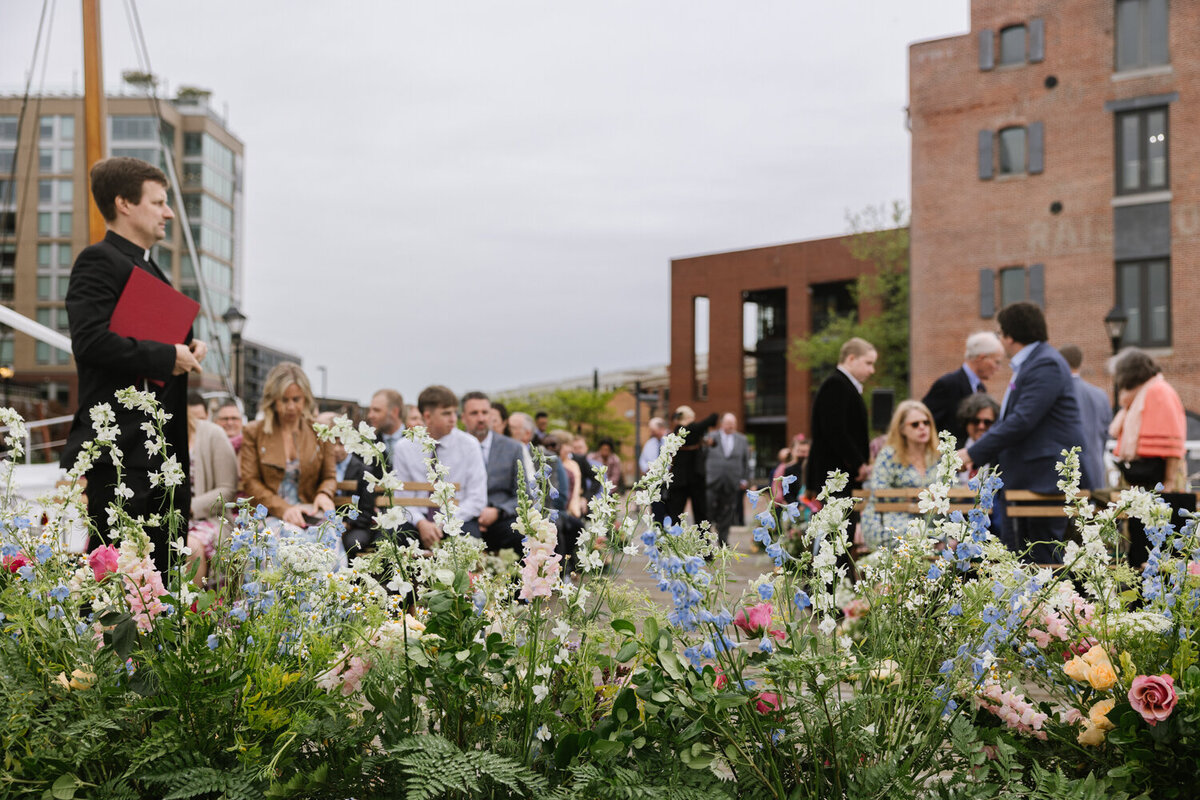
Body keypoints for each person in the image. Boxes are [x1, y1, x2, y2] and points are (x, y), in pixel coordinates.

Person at [61, 157, 206, 573]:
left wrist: (185, 349)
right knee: (116, 578)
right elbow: (89, 341)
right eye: (159, 202)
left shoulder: (150, 268)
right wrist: (166, 355)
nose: (169, 212)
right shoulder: (98, 260)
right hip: (120, 451)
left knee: (160, 576)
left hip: (159, 452)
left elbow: (142, 341)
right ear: (124, 203)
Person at [961, 302, 1083, 564]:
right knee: (1022, 560)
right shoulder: (1034, 364)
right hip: (1028, 479)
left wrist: (972, 452)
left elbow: (1022, 420)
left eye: (999, 333)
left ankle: (1046, 607)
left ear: (1009, 335)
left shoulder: (1045, 364)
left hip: (1041, 481)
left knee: (1041, 561)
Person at [1108, 347, 1188, 567]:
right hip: (1144, 481)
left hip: (1161, 481)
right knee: (1141, 541)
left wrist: (1170, 481)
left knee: (1157, 542)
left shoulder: (1158, 392)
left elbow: (1173, 439)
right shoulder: (1143, 394)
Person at [239, 362, 337, 530]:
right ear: (273, 400)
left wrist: (324, 494)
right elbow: (250, 482)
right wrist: (283, 509)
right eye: (284, 400)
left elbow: (329, 476)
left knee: (328, 540)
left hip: (309, 513)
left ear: (305, 398)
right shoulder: (253, 432)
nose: (291, 407)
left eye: (296, 399)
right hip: (268, 515)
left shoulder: (320, 432)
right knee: (292, 538)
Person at [391, 385, 487, 549]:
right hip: (415, 520)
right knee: (389, 541)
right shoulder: (404, 447)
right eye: (446, 413)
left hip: (457, 518)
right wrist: (421, 523)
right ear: (427, 416)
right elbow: (401, 497)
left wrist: (443, 522)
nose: (453, 419)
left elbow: (477, 499)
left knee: (469, 545)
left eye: (454, 413)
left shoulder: (470, 445)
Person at [860, 400, 939, 550]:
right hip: (893, 515)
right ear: (902, 429)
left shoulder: (938, 456)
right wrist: (915, 496)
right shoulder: (889, 455)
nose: (922, 427)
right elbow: (879, 489)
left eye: (926, 422)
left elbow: (951, 488)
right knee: (914, 534)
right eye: (915, 424)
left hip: (930, 518)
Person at [806, 338, 876, 498]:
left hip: (841, 477)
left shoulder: (843, 385)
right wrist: (858, 463)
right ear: (851, 358)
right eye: (868, 363)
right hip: (835, 478)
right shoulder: (836, 385)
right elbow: (834, 430)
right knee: (837, 523)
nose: (872, 370)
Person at [462, 391, 525, 552]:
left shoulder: (512, 448)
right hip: (464, 518)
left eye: (485, 412)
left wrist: (498, 511)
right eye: (474, 413)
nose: (481, 418)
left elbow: (522, 495)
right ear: (463, 418)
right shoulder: (455, 447)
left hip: (500, 517)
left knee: (523, 535)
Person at [922, 332, 1004, 449]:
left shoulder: (981, 388)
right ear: (981, 357)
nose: (998, 368)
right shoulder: (948, 384)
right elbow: (926, 421)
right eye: (996, 362)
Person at [187, 410, 238, 583]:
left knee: (190, 547)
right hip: (164, 518)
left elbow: (227, 490)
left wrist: (190, 507)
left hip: (207, 518)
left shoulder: (212, 434)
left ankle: (190, 609)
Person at [1059, 345, 1112, 491]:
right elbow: (1106, 433)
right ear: (1080, 363)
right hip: (1095, 470)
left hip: (1064, 473)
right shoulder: (1100, 395)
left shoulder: (1057, 394)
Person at [663, 406, 719, 525]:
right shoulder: (684, 429)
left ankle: (673, 539)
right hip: (692, 477)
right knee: (698, 513)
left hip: (682, 478)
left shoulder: (678, 431)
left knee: (678, 513)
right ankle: (701, 540)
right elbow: (713, 417)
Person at [705, 413, 751, 547]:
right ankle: (705, 541)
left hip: (732, 481)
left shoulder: (742, 439)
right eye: (728, 423)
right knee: (708, 511)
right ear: (722, 424)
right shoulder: (711, 437)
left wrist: (745, 479)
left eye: (733, 424)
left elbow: (745, 461)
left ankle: (723, 540)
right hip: (712, 480)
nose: (730, 426)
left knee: (727, 512)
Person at [955, 392, 1000, 482]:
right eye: (975, 421)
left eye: (987, 422)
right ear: (966, 422)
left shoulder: (1001, 453)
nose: (981, 426)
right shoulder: (953, 448)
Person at [366, 389, 405, 471]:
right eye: (370, 410)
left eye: (376, 410)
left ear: (394, 412)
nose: (370, 415)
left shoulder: (415, 441)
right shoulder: (368, 444)